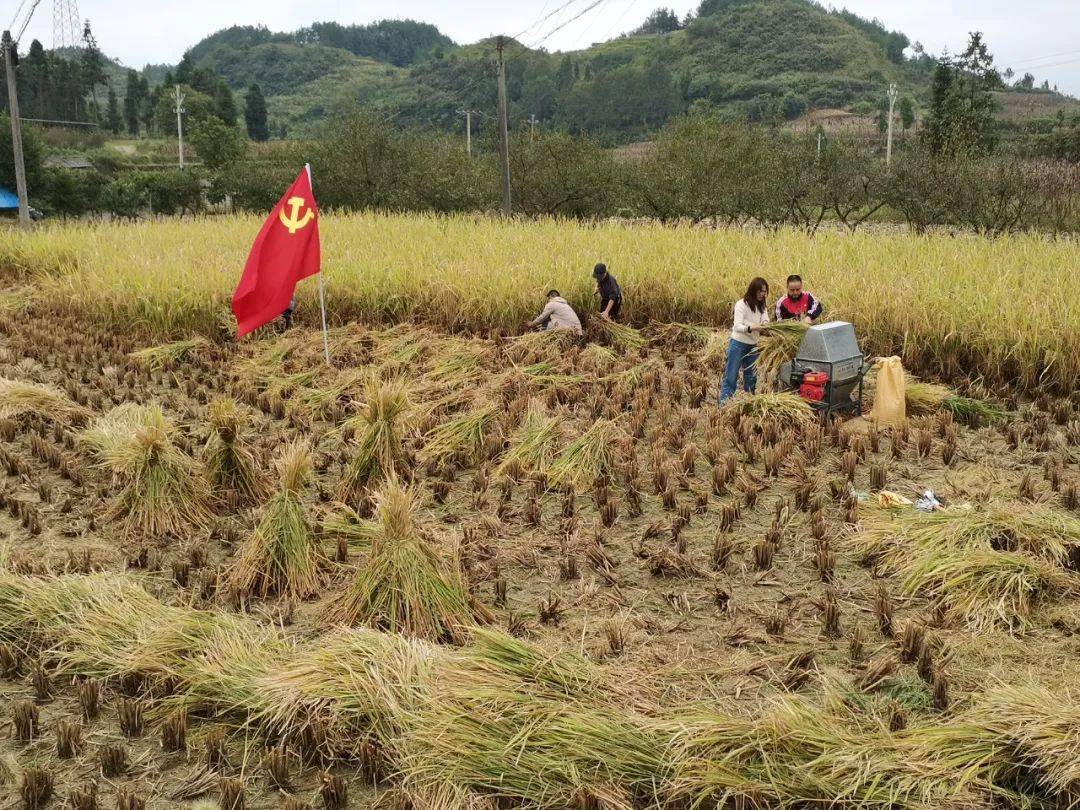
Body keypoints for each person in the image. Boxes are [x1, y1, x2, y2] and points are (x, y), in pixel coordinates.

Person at [720, 277, 771, 404]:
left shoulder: (762, 305)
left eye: (764, 291)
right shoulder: (741, 304)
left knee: (751, 377)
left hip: (753, 346)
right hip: (738, 344)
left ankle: (748, 402)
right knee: (731, 376)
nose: (763, 294)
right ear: (753, 291)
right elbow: (736, 326)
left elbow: (765, 319)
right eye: (760, 291)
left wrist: (765, 325)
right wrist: (751, 327)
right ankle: (724, 405)